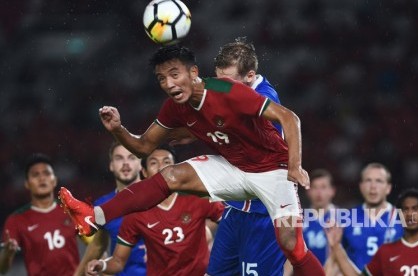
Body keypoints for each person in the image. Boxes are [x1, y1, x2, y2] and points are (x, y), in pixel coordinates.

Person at [59, 44, 325, 275]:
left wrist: (295, 166)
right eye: (161, 79)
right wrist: (118, 129)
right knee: (172, 175)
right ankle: (94, 216)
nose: (169, 84)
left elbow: (290, 118)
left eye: (174, 74)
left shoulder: (229, 91)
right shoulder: (175, 108)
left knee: (291, 244)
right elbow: (143, 147)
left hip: (273, 171)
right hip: (236, 168)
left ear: (194, 73)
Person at [205, 37, 286, 276]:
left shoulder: (265, 101)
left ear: (250, 76)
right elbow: (210, 86)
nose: (222, 87)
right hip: (236, 208)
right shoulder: (227, 83)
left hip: (263, 211)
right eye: (220, 79)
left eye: (227, 82)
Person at [86, 145, 224, 275]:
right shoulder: (135, 214)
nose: (161, 168)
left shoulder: (198, 198)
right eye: (153, 163)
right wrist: (101, 265)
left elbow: (230, 222)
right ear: (144, 172)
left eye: (166, 162)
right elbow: (118, 261)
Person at [326, 188, 418, 275]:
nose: (410, 214)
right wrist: (337, 247)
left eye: (416, 209)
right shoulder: (386, 251)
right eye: (405, 210)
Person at [0, 153, 80, 275]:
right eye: (35, 175)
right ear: (27, 184)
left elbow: (95, 244)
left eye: (47, 173)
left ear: (55, 180)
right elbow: (2, 269)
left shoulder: (72, 210)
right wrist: (7, 253)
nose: (42, 178)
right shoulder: (16, 220)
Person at [74, 142, 146, 276]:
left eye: (131, 157)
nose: (125, 163)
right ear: (111, 165)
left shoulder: (157, 197)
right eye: (119, 158)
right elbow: (98, 245)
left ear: (141, 164)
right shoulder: (102, 206)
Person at [339, 162, 404, 273]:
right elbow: (335, 260)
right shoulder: (347, 218)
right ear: (361, 186)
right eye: (368, 180)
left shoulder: (403, 219)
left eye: (379, 181)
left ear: (388, 188)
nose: (373, 186)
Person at [302, 169, 339, 275]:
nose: (319, 192)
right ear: (308, 191)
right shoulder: (299, 218)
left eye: (323, 187)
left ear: (332, 191)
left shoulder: (344, 218)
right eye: (315, 187)